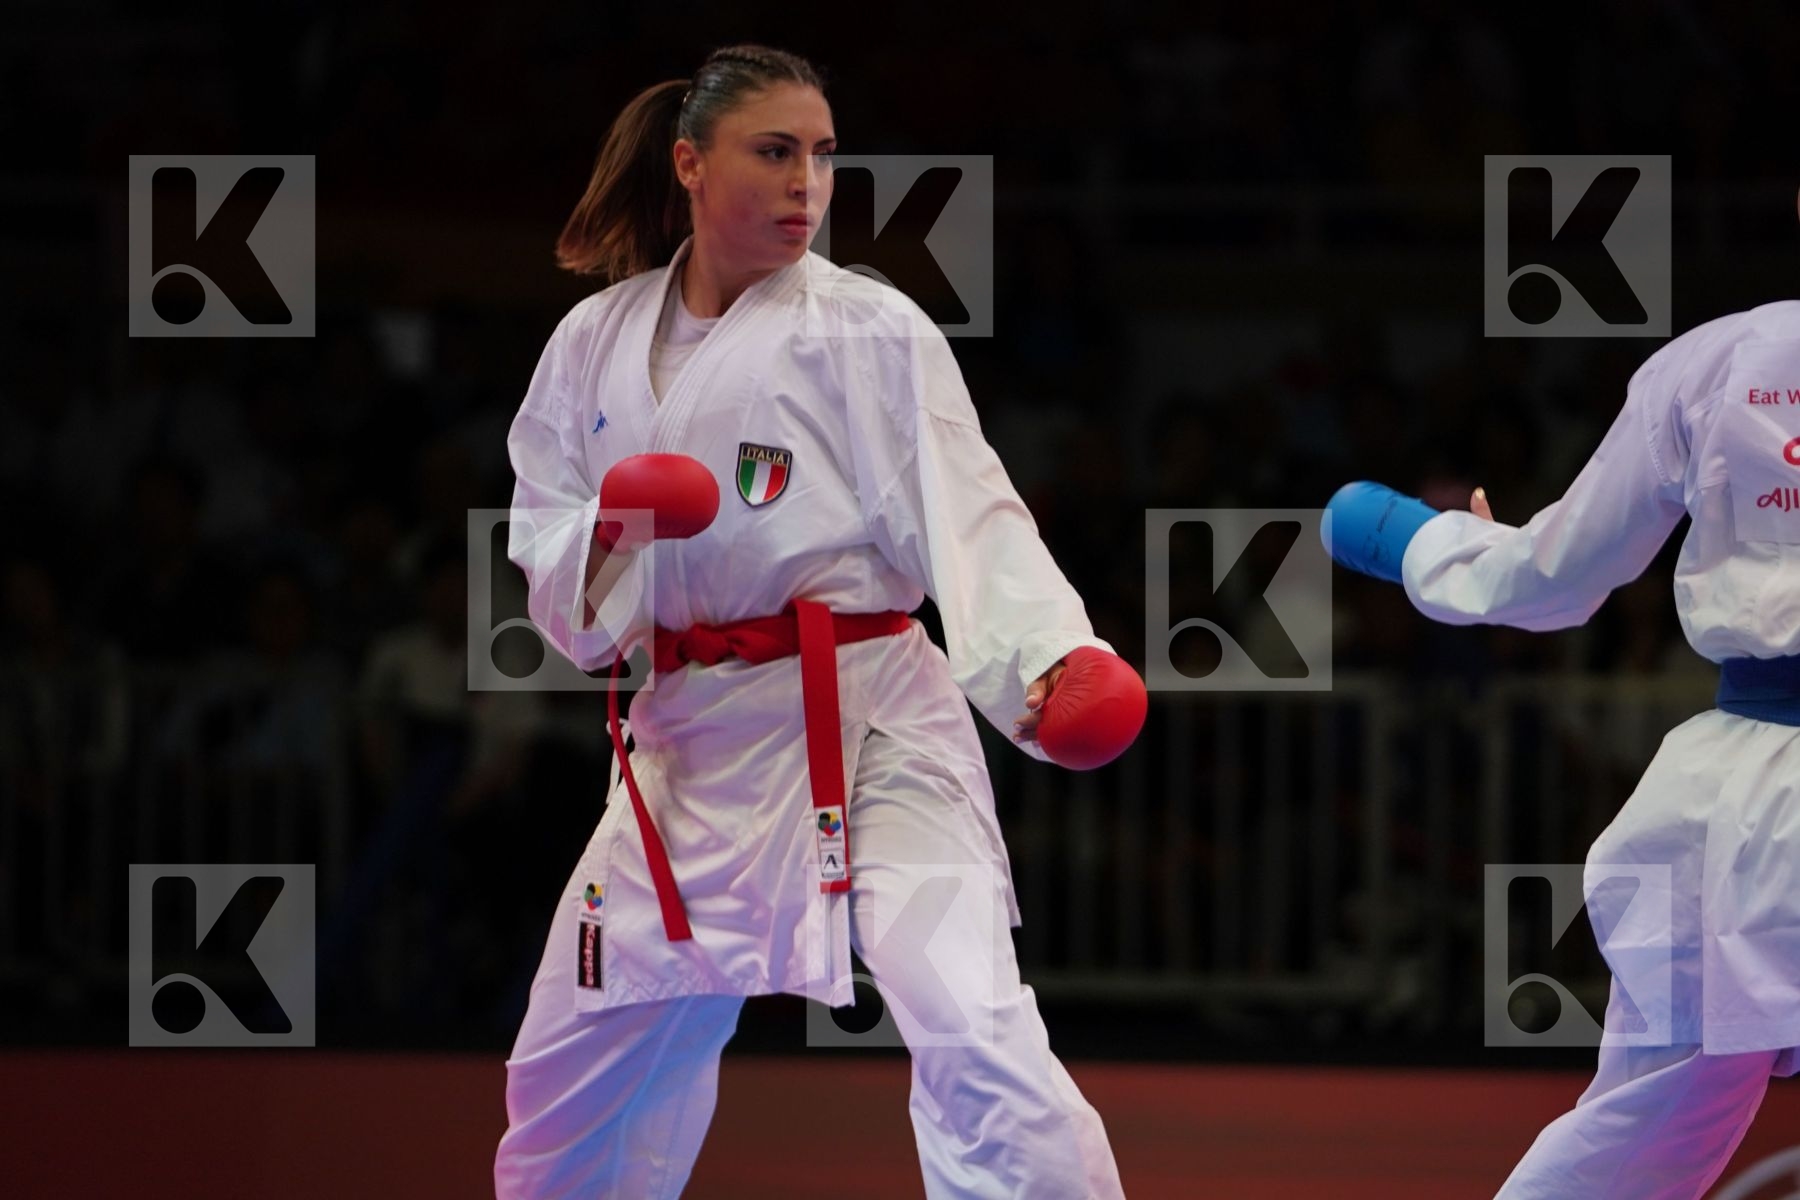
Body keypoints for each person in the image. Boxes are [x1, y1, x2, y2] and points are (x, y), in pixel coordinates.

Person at [494, 44, 1142, 1199]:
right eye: (776, 151)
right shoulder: (591, 343)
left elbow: (967, 503)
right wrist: (605, 531)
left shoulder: (866, 328)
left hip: (868, 726)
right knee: (566, 1073)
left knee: (971, 1020)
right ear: (690, 164)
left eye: (824, 156)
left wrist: (1052, 660)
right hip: (685, 746)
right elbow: (558, 580)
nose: (809, 182)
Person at [1325, 283, 1800, 1195]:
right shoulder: (1706, 363)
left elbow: (1553, 575)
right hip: (1736, 790)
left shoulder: (1715, 362)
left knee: (1644, 1130)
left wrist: (1419, 541)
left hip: (1731, 808)